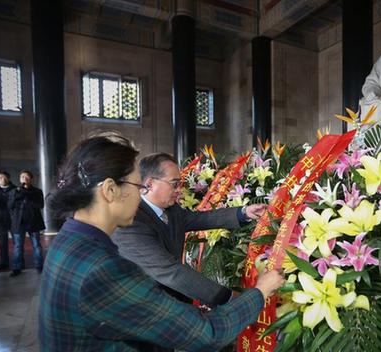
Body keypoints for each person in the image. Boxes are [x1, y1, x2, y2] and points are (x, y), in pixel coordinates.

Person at [40, 133, 284, 351]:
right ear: (110, 190)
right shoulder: (103, 268)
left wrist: (241, 213)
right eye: (137, 185)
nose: (140, 193)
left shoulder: (68, 240)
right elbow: (206, 334)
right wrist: (259, 292)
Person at [112, 152, 267, 307]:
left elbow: (202, 219)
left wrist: (244, 213)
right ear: (149, 184)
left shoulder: (171, 210)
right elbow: (171, 272)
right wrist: (230, 299)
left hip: (173, 301)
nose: (179, 190)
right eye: (174, 184)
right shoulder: (131, 221)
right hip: (143, 307)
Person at [8, 170, 45, 276]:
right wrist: (16, 195)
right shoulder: (15, 191)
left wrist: (27, 195)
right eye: (22, 177)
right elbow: (10, 206)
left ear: (31, 179)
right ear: (20, 179)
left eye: (26, 177)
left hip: (33, 222)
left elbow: (40, 205)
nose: (24, 178)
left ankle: (39, 265)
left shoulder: (37, 191)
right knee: (18, 246)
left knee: (36, 245)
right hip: (19, 223)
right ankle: (16, 268)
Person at [0, 170, 16, 270]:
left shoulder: (16, 189)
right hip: (0, 220)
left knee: (17, 242)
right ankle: (4, 263)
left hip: (14, 219)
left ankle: (18, 261)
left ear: (9, 178)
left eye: (4, 177)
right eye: (0, 178)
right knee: (3, 243)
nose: (3, 179)